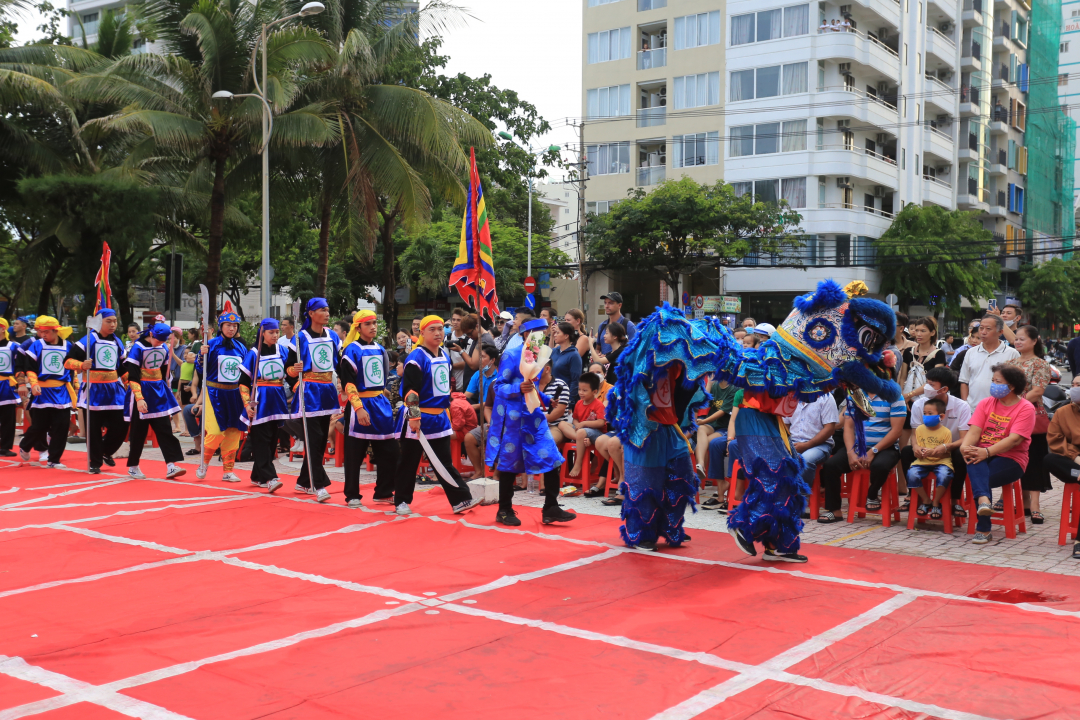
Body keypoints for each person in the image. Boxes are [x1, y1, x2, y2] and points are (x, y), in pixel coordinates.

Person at [484, 317, 576, 526]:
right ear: (526, 334)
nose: (542, 337)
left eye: (544, 333)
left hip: (534, 417)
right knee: (509, 465)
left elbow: (532, 386)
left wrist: (545, 399)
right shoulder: (511, 354)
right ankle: (504, 509)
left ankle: (551, 507)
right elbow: (499, 387)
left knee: (553, 458)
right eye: (539, 333)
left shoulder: (537, 355)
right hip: (513, 419)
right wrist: (518, 389)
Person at [393, 315, 478, 515]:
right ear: (421, 333)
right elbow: (410, 392)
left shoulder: (444, 355)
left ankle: (461, 499)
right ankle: (401, 501)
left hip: (439, 417)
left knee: (444, 462)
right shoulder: (416, 358)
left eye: (440, 329)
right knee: (409, 461)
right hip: (419, 418)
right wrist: (414, 418)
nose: (438, 333)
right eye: (432, 329)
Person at [960, 364, 1035, 544]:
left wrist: (986, 452)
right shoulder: (986, 403)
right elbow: (975, 431)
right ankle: (984, 506)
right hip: (983, 453)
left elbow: (1014, 439)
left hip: (1012, 459)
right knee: (973, 461)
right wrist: (965, 447)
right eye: (993, 381)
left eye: (998, 381)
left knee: (978, 471)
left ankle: (984, 525)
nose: (993, 385)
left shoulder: (1026, 408)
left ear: (1012, 386)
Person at [338, 310, 399, 508]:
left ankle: (383, 492)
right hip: (360, 405)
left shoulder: (381, 349)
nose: (373, 327)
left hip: (380, 404)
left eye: (374, 323)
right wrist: (358, 408)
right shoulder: (351, 350)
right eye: (368, 324)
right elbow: (348, 383)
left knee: (389, 451)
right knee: (355, 453)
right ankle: (352, 494)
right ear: (358, 328)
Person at [817, 389, 906, 523]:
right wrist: (851, 453)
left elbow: (897, 431)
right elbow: (849, 427)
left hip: (886, 448)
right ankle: (834, 511)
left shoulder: (894, 396)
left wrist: (872, 451)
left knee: (880, 466)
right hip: (859, 447)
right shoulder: (856, 395)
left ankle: (872, 494)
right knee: (831, 466)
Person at [286, 298, 341, 502]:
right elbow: (288, 369)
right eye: (322, 310)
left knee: (320, 439)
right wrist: (295, 369)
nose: (327, 313)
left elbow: (338, 362)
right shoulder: (300, 338)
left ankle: (303, 481)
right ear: (310, 313)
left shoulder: (333, 335)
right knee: (314, 438)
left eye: (328, 309)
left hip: (327, 390)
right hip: (308, 390)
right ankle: (318, 484)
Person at [903, 366, 971, 518]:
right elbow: (915, 434)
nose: (926, 387)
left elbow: (964, 439)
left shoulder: (961, 406)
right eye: (927, 382)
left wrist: (946, 447)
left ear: (944, 389)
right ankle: (914, 496)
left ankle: (954, 500)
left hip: (951, 448)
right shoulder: (919, 405)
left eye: (932, 384)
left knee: (962, 454)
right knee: (906, 452)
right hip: (925, 449)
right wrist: (915, 447)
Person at [66, 308, 127, 474]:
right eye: (109, 321)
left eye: (115, 321)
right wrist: (80, 365)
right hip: (93, 390)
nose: (113, 324)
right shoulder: (88, 340)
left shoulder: (117, 341)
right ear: (99, 322)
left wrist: (131, 382)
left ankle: (106, 451)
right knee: (93, 429)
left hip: (115, 391)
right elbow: (67, 362)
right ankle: (95, 462)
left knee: (122, 424)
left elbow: (122, 366)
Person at [123, 323, 186, 479]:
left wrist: (167, 388)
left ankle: (171, 465)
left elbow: (165, 372)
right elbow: (132, 375)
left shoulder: (164, 347)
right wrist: (139, 398)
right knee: (138, 432)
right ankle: (133, 466)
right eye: (158, 340)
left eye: (163, 341)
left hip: (158, 392)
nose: (160, 343)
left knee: (165, 429)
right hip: (141, 391)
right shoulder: (138, 347)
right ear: (151, 335)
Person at [194, 310, 248, 482]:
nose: (231, 329)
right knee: (216, 432)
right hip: (214, 393)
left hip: (235, 394)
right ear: (221, 326)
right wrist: (201, 356)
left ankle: (228, 470)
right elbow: (201, 370)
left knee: (234, 431)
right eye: (228, 325)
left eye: (234, 326)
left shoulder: (241, 347)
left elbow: (246, 373)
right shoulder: (211, 345)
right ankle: (204, 463)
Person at [1007, 325, 1052, 523]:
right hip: (1009, 416)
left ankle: (1034, 504)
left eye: (1022, 339)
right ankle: (1022, 501)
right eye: (1016, 338)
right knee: (1014, 457)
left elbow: (1038, 391)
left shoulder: (1040, 363)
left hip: (1031, 416)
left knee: (1034, 459)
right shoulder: (1010, 363)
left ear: (1034, 341)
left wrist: (1016, 403)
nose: (1018, 342)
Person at [17, 316, 75, 468]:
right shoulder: (36, 345)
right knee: (40, 425)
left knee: (61, 426)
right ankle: (25, 444)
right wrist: (34, 384)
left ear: (56, 331)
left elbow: (72, 368)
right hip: (41, 391)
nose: (43, 335)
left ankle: (54, 459)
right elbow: (30, 368)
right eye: (40, 331)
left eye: (46, 332)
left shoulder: (68, 346)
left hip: (62, 391)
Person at [240, 319, 288, 493]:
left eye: (277, 332)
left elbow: (289, 374)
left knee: (271, 440)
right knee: (261, 439)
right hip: (260, 401)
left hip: (278, 400)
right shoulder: (253, 353)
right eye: (271, 332)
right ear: (262, 333)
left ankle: (257, 476)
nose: (275, 335)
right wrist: (247, 404)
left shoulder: (283, 350)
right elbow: (243, 382)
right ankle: (270, 477)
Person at [1044, 375, 1080, 558]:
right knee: (1050, 459)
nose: (1075, 388)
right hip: (1072, 465)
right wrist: (1076, 457)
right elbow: (1056, 440)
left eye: (1079, 385)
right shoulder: (1063, 412)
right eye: (1073, 385)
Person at [906, 397, 956, 518]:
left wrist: (934, 452)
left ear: (941, 416)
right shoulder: (919, 429)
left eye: (930, 413)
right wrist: (918, 451)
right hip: (922, 462)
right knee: (911, 474)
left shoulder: (946, 432)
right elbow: (917, 446)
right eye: (924, 413)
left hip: (942, 462)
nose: (926, 416)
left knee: (944, 475)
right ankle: (926, 500)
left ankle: (936, 502)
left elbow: (946, 452)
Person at [959, 315, 1020, 411]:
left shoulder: (1012, 354)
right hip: (973, 409)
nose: (983, 332)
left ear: (1000, 332)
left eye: (988, 329)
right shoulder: (971, 352)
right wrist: (965, 404)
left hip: (1000, 411)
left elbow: (1016, 385)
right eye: (981, 328)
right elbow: (964, 381)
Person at [783, 393, 839, 487]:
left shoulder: (826, 397)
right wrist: (787, 445)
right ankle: (782, 496)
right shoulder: (790, 396)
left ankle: (802, 496)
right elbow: (785, 426)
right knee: (774, 459)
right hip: (793, 443)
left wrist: (806, 445)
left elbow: (829, 429)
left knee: (805, 460)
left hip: (820, 445)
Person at [558, 372, 606, 480]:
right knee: (562, 424)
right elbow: (575, 419)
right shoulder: (579, 403)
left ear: (594, 392)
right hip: (582, 432)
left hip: (596, 433)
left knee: (580, 432)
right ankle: (582, 439)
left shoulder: (598, 404)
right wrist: (577, 425)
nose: (581, 393)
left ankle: (578, 463)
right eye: (579, 389)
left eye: (585, 390)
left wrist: (584, 424)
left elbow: (601, 423)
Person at [695, 377, 736, 478]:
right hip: (713, 425)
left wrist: (704, 421)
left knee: (702, 444)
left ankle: (705, 477)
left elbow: (722, 412)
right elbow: (703, 404)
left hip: (725, 428)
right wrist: (709, 384)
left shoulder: (734, 389)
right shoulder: (714, 386)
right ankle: (700, 464)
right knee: (701, 430)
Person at [550, 321, 583, 408]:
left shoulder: (574, 355)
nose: (555, 335)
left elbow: (575, 381)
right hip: (550, 395)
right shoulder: (554, 351)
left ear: (566, 336)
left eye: (558, 333)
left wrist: (570, 402)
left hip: (563, 397)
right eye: (555, 333)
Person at [0, 319, 18, 456]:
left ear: (3, 329)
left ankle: (5, 446)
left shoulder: (13, 346)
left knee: (8, 417)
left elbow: (19, 365)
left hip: (6, 384)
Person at [590, 321, 626, 385]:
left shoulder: (620, 351)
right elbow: (598, 359)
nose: (604, 336)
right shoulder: (612, 352)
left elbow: (598, 361)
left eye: (606, 333)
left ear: (615, 336)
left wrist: (590, 344)